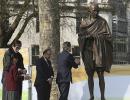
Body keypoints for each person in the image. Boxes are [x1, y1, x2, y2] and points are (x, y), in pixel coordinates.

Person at [78, 2, 113, 100]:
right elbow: (80, 37)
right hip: (88, 52)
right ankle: (91, 96)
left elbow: (109, 37)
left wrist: (98, 37)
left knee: (101, 74)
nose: (96, 12)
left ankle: (102, 96)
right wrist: (88, 36)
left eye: (97, 11)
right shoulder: (84, 22)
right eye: (94, 10)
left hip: (99, 52)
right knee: (90, 75)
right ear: (89, 11)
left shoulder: (102, 22)